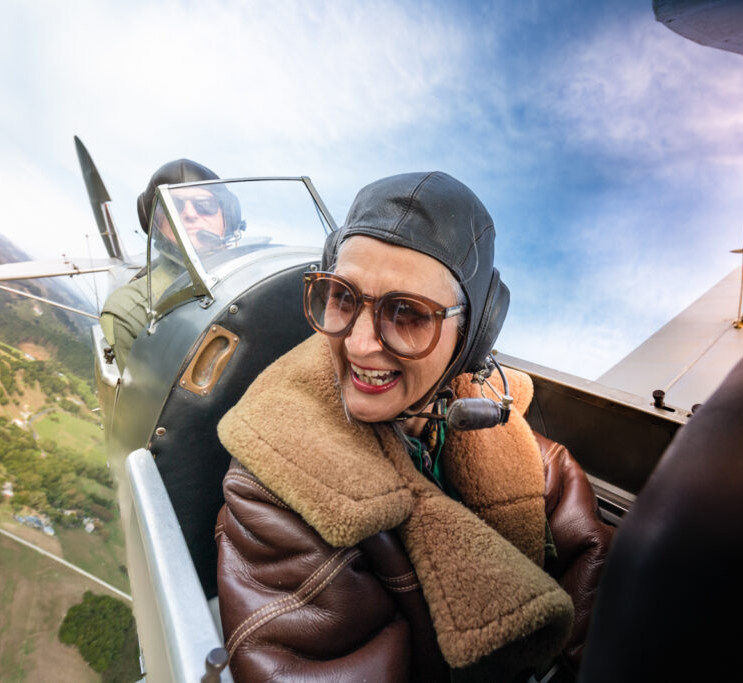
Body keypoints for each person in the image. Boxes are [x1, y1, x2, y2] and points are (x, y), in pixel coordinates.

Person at [214, 171, 612, 681]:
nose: (359, 345)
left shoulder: (521, 447)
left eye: (406, 313)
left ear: (472, 336)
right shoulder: (270, 490)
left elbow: (600, 581)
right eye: (343, 297)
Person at [100, 159, 243, 370]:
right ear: (155, 221)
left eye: (204, 205)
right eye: (173, 207)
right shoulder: (130, 307)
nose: (190, 214)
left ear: (228, 215)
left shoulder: (259, 271)